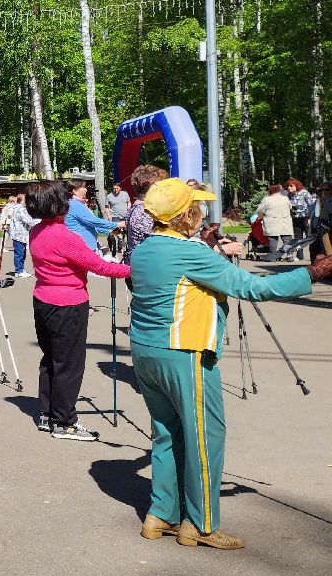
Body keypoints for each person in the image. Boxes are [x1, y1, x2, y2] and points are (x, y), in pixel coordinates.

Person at [129, 179, 331, 548]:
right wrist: (313, 273)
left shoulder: (145, 247)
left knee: (167, 433)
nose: (202, 213)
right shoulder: (189, 252)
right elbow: (252, 288)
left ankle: (161, 514)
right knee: (206, 438)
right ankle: (201, 525)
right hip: (184, 352)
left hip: (147, 351)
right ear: (184, 215)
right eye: (196, 207)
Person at [25, 180, 131, 439]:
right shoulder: (65, 237)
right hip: (67, 304)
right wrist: (133, 269)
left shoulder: (37, 230)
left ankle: (48, 413)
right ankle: (64, 421)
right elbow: (100, 266)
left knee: (51, 359)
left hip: (43, 300)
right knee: (69, 364)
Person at [121, 164, 167, 266]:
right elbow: (158, 242)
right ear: (150, 187)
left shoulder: (137, 208)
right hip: (144, 266)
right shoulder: (143, 212)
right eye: (160, 187)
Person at [64, 180, 122, 253]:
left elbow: (91, 225)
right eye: (83, 187)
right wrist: (116, 224)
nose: (86, 190)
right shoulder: (75, 204)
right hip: (82, 248)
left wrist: (109, 231)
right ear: (75, 191)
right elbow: (93, 221)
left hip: (87, 247)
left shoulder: (77, 203)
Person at [252, 183, 294, 261]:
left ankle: (272, 257)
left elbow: (259, 210)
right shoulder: (285, 198)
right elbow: (290, 208)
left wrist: (262, 216)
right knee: (287, 239)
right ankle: (289, 255)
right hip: (285, 221)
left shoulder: (267, 199)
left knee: (273, 239)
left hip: (272, 222)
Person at [2, 194, 34, 280]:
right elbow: (28, 220)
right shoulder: (20, 209)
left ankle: (21, 270)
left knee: (21, 253)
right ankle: (19, 271)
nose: (27, 201)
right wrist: (39, 222)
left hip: (19, 234)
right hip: (19, 234)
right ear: (22, 200)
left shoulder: (17, 208)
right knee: (20, 254)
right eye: (25, 199)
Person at [286, 178, 315, 255]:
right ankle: (300, 256)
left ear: (296, 186)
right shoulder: (289, 195)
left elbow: (312, 205)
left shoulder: (304, 192)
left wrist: (310, 218)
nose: (289, 187)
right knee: (298, 239)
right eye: (288, 186)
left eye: (291, 186)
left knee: (310, 237)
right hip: (296, 219)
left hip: (305, 218)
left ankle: (314, 255)